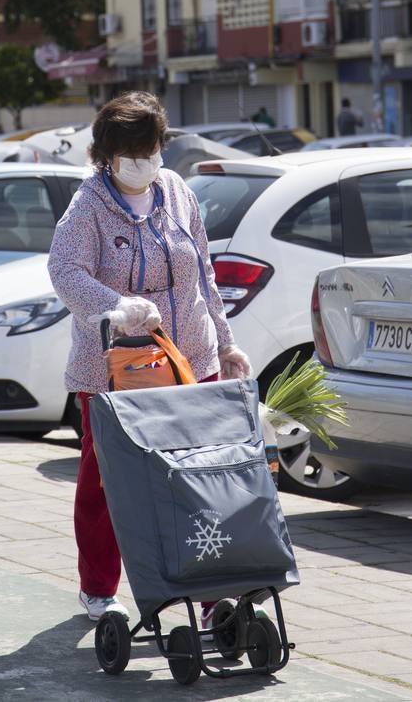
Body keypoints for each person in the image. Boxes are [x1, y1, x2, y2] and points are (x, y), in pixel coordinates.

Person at [47, 91, 252, 624]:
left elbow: (204, 272)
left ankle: (212, 597)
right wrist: (117, 306)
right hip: (118, 371)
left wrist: (226, 343)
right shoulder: (89, 204)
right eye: (130, 151)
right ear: (107, 155)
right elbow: (65, 272)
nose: (142, 160)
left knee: (199, 478)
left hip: (192, 363)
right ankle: (98, 588)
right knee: (107, 480)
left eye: (150, 148)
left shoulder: (178, 191)